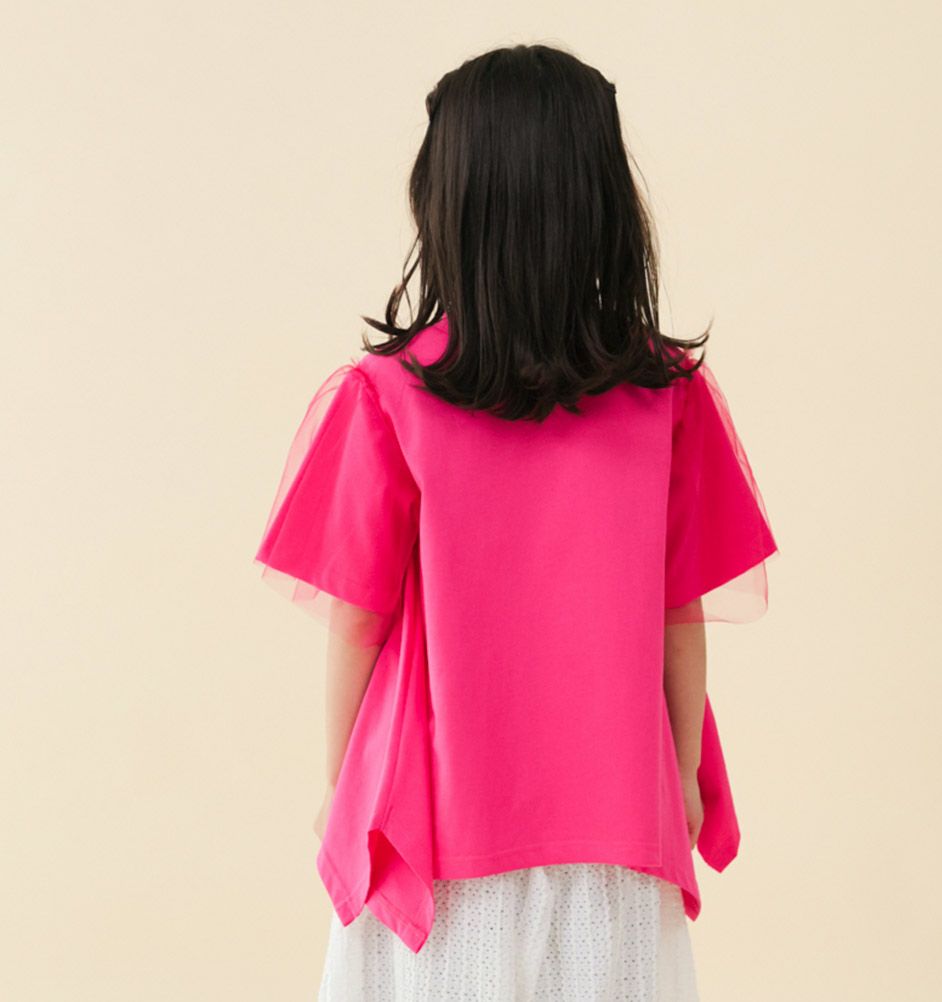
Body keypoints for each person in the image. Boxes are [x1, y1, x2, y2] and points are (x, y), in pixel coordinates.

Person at [252, 42, 779, 1002]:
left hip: (437, 825)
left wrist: (338, 786)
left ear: (452, 206)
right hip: (617, 823)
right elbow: (679, 614)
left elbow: (358, 621)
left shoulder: (389, 395)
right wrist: (683, 775)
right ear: (604, 205)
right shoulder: (667, 395)